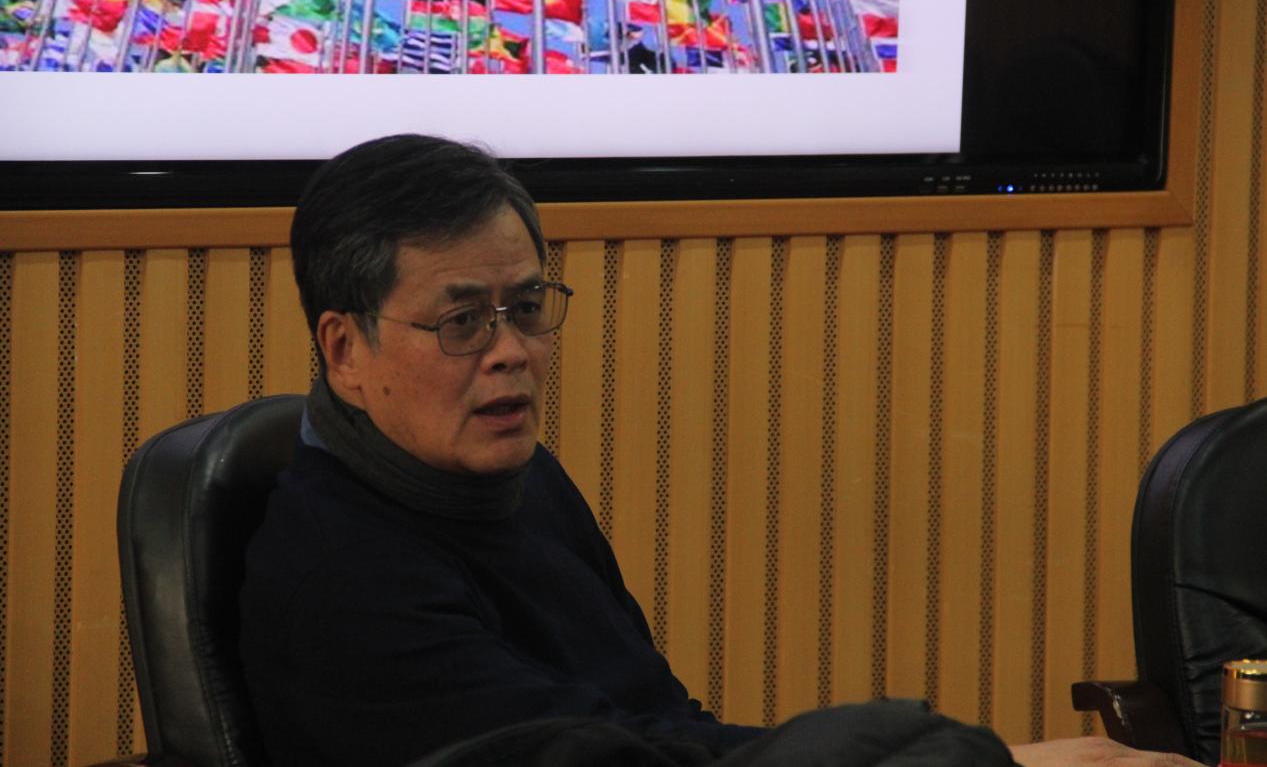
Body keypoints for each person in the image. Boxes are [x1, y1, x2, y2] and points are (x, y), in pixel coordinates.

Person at [239, 134, 1202, 767]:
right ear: (345, 350)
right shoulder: (344, 585)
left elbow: (659, 721)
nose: (511, 352)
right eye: (462, 322)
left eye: (526, 307)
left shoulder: (515, 478)